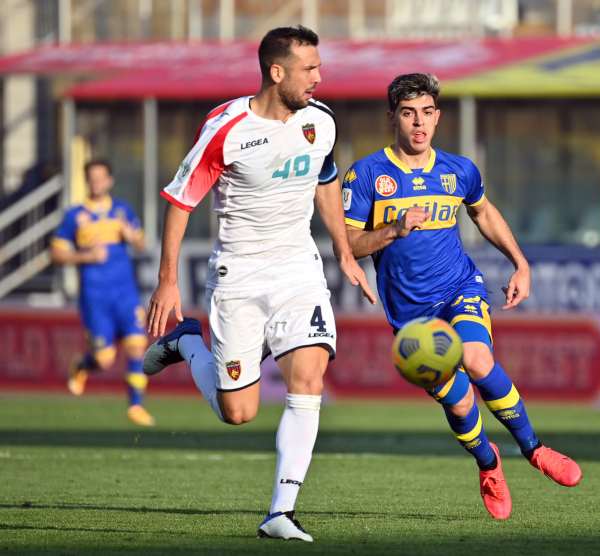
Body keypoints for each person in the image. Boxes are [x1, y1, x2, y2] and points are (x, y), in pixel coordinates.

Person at [142, 26, 375, 542]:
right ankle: (185, 342)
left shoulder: (321, 121)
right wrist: (167, 282)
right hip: (239, 276)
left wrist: (342, 249)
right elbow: (182, 201)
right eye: (309, 69)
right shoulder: (226, 127)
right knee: (238, 412)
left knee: (308, 378)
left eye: (319, 66)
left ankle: (280, 512)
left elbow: (326, 181)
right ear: (276, 72)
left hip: (298, 269)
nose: (319, 77)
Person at [341, 73, 582, 521]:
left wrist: (520, 263)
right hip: (410, 315)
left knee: (477, 359)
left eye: (427, 113)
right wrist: (393, 229)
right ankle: (489, 466)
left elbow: (484, 213)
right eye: (409, 113)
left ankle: (534, 449)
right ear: (392, 116)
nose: (419, 123)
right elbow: (347, 242)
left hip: (459, 289)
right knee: (460, 402)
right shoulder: (368, 173)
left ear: (438, 117)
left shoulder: (459, 170)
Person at [50, 159, 153, 427]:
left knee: (136, 345)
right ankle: (83, 365)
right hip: (95, 297)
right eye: (91, 178)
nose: (96, 182)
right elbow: (57, 254)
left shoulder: (122, 210)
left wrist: (133, 238)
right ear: (87, 181)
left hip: (125, 293)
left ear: (109, 181)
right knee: (104, 359)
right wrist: (85, 256)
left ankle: (135, 406)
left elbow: (142, 245)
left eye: (101, 177)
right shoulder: (75, 216)